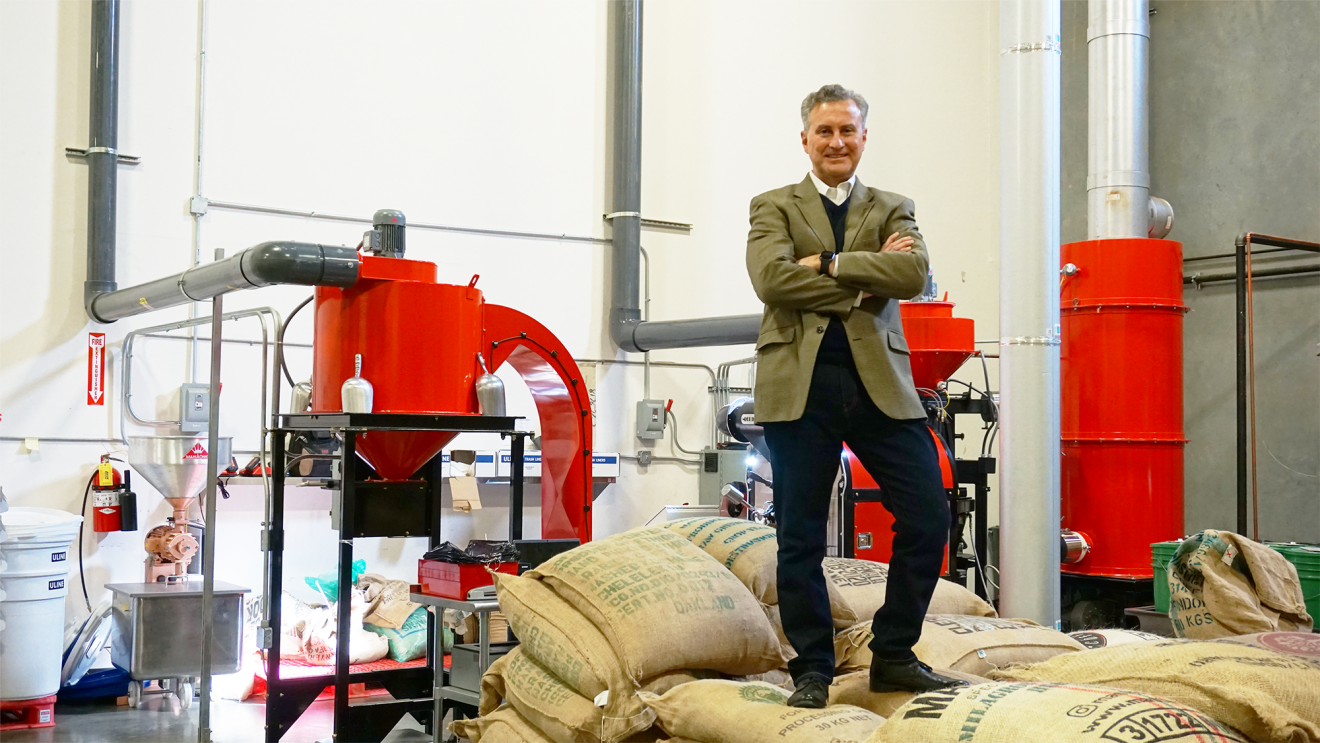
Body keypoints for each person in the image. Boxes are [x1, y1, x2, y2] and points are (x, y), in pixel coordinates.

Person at [745, 84, 967, 708]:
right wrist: (865, 280)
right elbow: (771, 279)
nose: (837, 141)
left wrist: (827, 263)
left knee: (927, 514)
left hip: (881, 388)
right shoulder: (773, 205)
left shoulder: (895, 206)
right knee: (800, 537)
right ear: (806, 140)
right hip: (800, 388)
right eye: (825, 132)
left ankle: (893, 655)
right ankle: (812, 668)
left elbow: (911, 274)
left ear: (864, 137)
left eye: (848, 130)